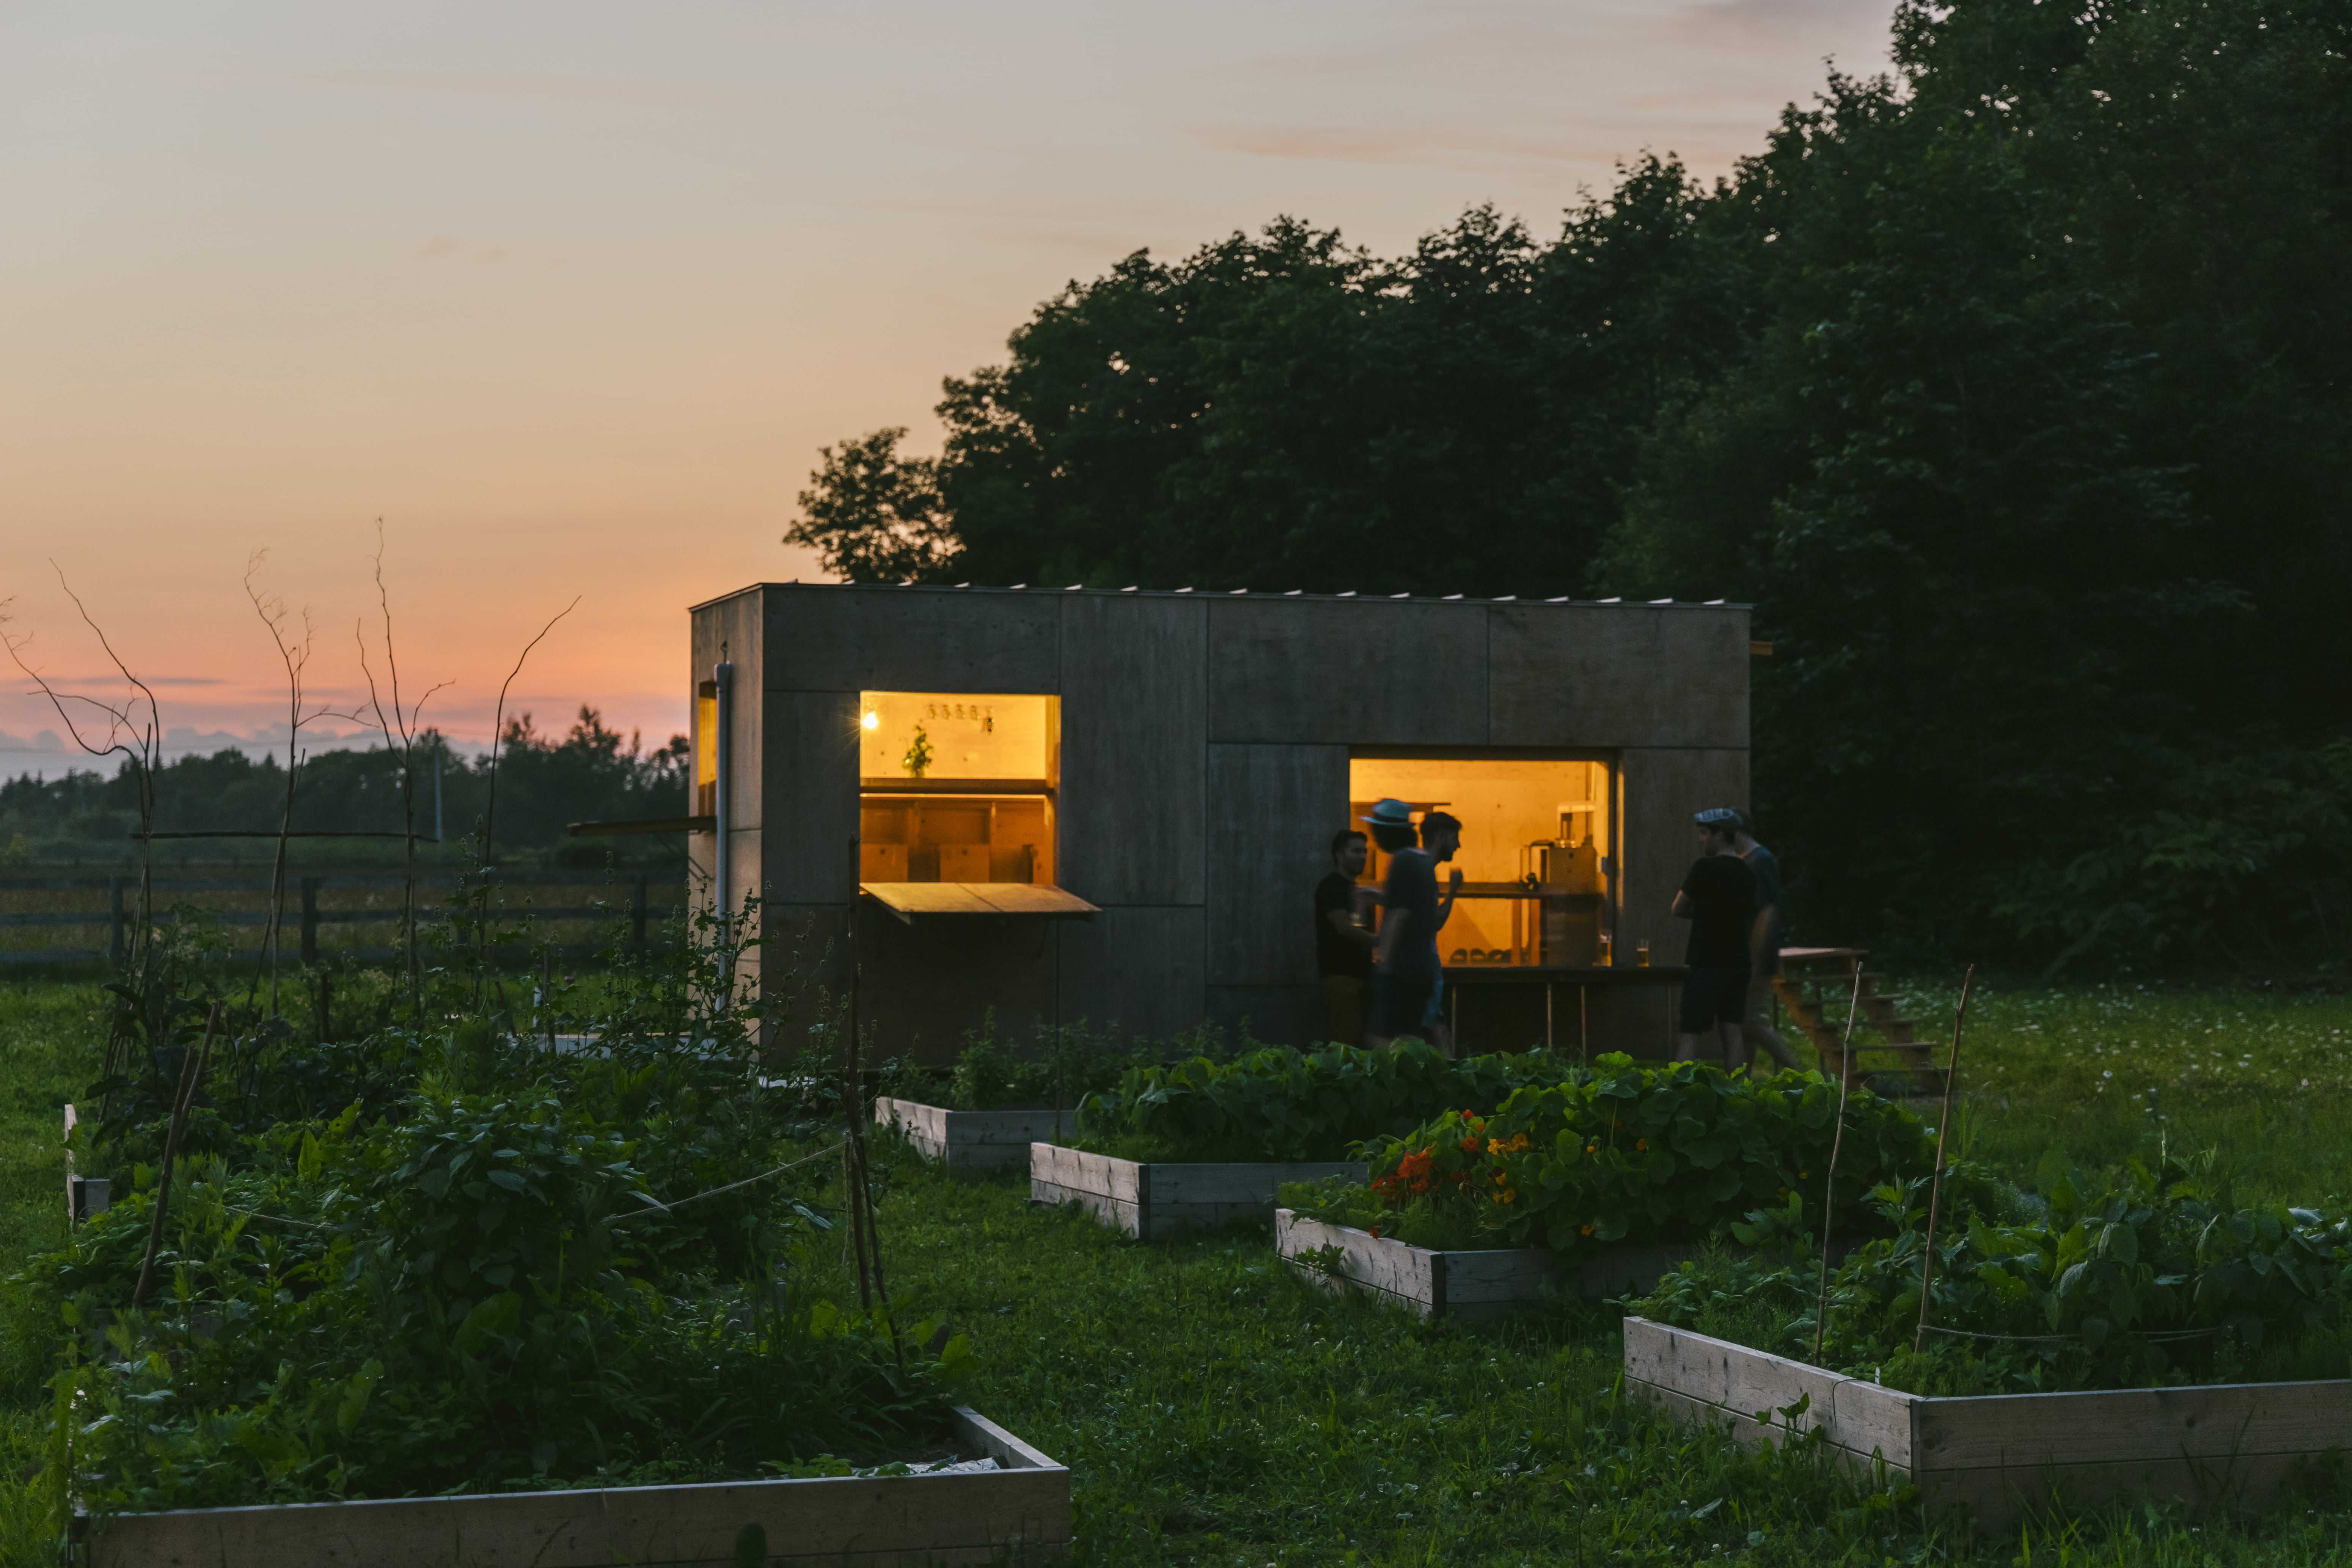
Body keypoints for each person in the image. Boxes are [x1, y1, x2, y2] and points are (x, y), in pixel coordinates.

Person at [1366, 800, 1463, 1054]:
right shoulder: (1421, 864)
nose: (1373, 837)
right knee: (1418, 1032)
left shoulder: (1404, 862)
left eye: (1375, 830)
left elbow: (1402, 913)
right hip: (1422, 968)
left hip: (1405, 968)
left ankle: (1432, 1075)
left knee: (1383, 1039)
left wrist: (1384, 961)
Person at [1671, 808, 1757, 1068]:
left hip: (1706, 960)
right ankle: (1736, 1093)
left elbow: (1677, 908)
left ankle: (1679, 1091)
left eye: (1704, 834)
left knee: (1690, 1031)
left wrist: (1703, 912)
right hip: (1738, 961)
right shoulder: (1746, 871)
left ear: (1720, 835)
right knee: (1732, 1029)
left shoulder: (1704, 867)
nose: (1701, 840)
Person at [1732, 811, 1801, 1072]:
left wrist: (1755, 956)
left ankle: (1800, 1074)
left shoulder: (1761, 861)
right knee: (1744, 1025)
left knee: (1750, 1021)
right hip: (1743, 954)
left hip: (1755, 955)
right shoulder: (1744, 861)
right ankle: (1742, 1083)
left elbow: (1767, 911)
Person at [1315, 829, 1378, 1045]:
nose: (1363, 856)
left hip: (1359, 973)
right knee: (1346, 1038)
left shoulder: (1355, 889)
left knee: (1354, 1037)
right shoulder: (1331, 887)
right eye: (1356, 851)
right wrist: (1381, 940)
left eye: (1365, 851)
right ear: (1340, 856)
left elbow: (1356, 927)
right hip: (1341, 973)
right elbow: (1344, 927)